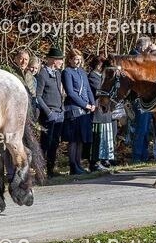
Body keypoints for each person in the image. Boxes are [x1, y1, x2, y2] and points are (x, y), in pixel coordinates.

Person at [62, 48, 96, 175]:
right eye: (75, 59)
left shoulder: (82, 72)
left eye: (79, 59)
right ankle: (73, 165)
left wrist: (92, 103)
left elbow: (87, 89)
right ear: (70, 59)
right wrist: (85, 104)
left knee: (81, 139)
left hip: (85, 109)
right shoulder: (67, 72)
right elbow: (70, 93)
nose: (77, 61)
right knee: (74, 139)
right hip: (74, 109)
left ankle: (79, 164)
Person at [35, 47, 65, 176]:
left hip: (59, 112)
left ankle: (51, 169)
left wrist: (62, 109)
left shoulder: (58, 74)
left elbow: (60, 92)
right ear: (53, 60)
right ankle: (40, 170)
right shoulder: (42, 74)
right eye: (60, 60)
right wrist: (48, 112)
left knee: (55, 142)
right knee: (45, 143)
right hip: (49, 114)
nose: (61, 62)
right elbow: (38, 96)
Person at [88, 57, 115, 171]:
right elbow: (100, 90)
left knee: (106, 137)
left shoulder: (102, 77)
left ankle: (105, 159)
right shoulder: (92, 76)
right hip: (98, 111)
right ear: (98, 66)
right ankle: (95, 161)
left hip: (105, 111)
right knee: (97, 138)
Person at [12, 48, 37, 121]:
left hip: (28, 112)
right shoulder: (11, 73)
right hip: (15, 111)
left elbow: (33, 94)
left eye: (26, 59)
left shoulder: (30, 75)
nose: (23, 62)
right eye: (21, 59)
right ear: (15, 59)